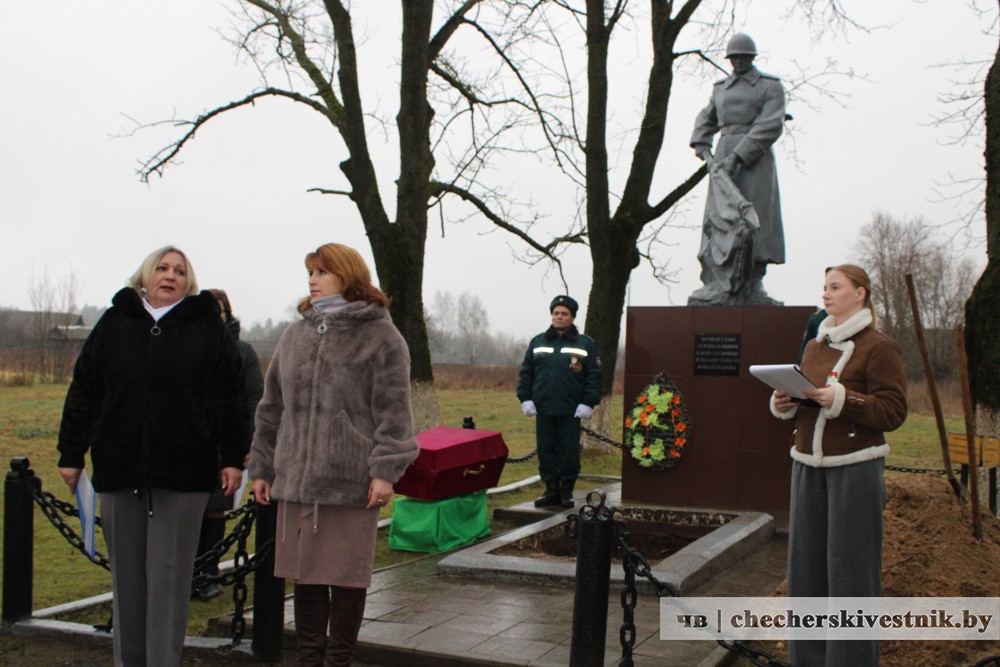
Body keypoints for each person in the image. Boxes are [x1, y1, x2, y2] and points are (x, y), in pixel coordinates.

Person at [56, 246, 247, 667]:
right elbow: (85, 388)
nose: (170, 275)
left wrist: (233, 457)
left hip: (184, 473)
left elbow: (229, 398)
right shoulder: (115, 322)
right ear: (145, 276)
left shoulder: (207, 328)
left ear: (188, 282)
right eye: (162, 267)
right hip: (120, 468)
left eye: (179, 270)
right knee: (127, 580)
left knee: (169, 578)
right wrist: (71, 452)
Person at [248, 243, 419, 667]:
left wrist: (385, 471)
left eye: (322, 271)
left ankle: (338, 660)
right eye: (310, 271)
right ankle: (309, 660)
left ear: (347, 274)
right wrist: (263, 466)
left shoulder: (381, 336)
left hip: (350, 481)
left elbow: (395, 412)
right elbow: (271, 406)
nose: (312, 279)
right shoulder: (295, 334)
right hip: (296, 480)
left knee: (345, 577)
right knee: (306, 577)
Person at [770, 264, 907, 666]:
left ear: (860, 293)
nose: (826, 294)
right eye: (824, 287)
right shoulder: (814, 346)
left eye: (835, 287)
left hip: (854, 470)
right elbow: (807, 398)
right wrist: (784, 401)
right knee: (806, 570)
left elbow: (894, 411)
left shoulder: (880, 347)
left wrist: (843, 399)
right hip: (807, 467)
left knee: (851, 572)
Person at [690, 33, 786, 305]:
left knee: (756, 218)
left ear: (752, 57)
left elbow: (770, 124)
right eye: (734, 58)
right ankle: (716, 281)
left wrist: (740, 156)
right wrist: (702, 143)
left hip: (755, 160)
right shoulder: (721, 89)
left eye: (743, 57)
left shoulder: (770, 86)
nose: (739, 62)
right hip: (722, 159)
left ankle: (754, 282)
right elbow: (706, 117)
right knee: (721, 217)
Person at [191, 289, 265, 602]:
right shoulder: (186, 346)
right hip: (189, 443)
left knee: (214, 509)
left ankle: (207, 572)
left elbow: (254, 399)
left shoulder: (242, 352)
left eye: (218, 311)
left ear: (227, 314)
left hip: (225, 445)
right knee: (187, 510)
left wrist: (248, 442)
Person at [517, 295, 602, 509]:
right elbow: (526, 372)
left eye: (564, 313)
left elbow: (594, 376)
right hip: (543, 408)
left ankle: (566, 492)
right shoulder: (538, 342)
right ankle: (551, 490)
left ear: (572, 317)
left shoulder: (585, 344)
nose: (559, 317)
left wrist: (588, 402)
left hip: (571, 409)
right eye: (556, 313)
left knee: (568, 452)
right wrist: (525, 398)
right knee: (545, 450)